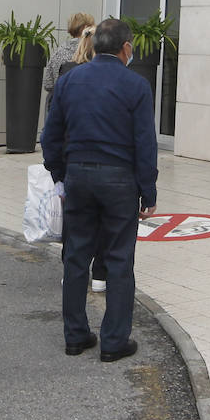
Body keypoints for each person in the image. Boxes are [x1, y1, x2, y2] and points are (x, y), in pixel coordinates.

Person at [42, 18, 158, 363]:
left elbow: (50, 135)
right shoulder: (136, 85)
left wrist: (60, 174)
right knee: (119, 259)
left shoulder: (69, 80)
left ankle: (75, 336)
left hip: (78, 176)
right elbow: (144, 144)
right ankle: (114, 341)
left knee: (76, 256)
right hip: (120, 180)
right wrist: (147, 191)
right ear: (126, 48)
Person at [58, 23, 108, 293]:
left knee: (75, 221)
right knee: (103, 219)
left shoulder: (66, 75)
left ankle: (72, 271)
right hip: (106, 162)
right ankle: (100, 273)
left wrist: (55, 170)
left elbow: (56, 124)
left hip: (72, 159)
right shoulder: (114, 77)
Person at [45, 12, 96, 93]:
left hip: (60, 100)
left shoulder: (59, 51)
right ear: (85, 28)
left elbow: (48, 84)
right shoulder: (92, 52)